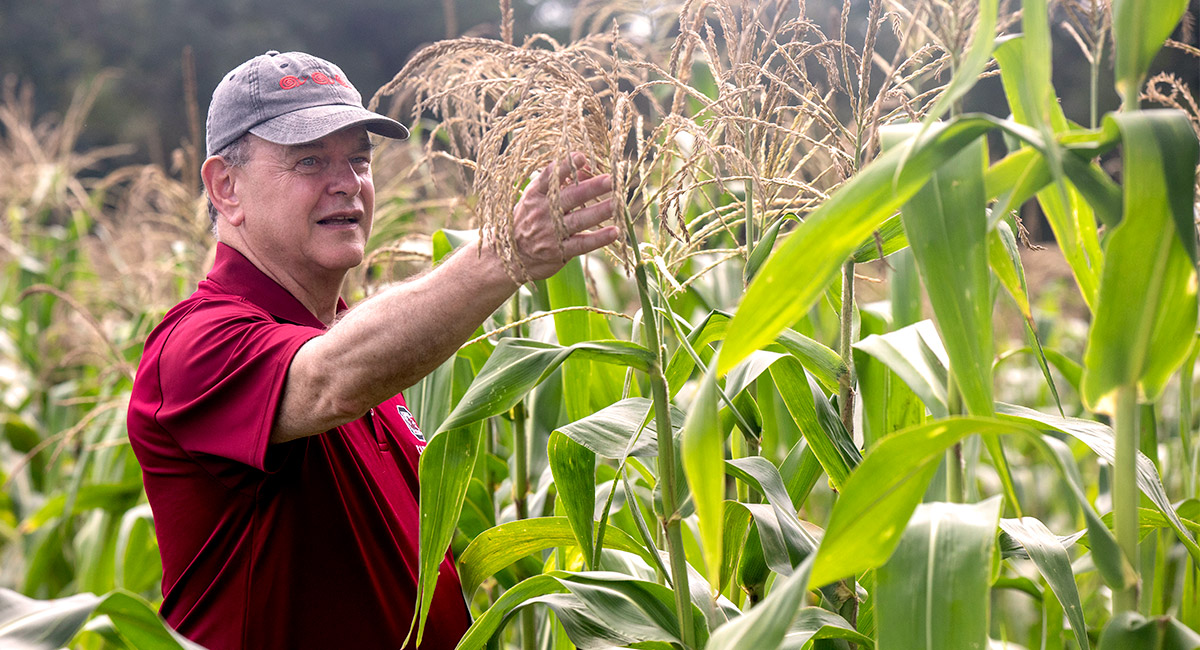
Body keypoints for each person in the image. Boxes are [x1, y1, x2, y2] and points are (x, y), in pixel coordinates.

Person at [126, 50, 617, 650]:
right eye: (309, 160)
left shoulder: (356, 345)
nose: (347, 184)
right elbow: (327, 382)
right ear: (225, 187)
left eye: (359, 160)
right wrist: (504, 252)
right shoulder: (197, 345)